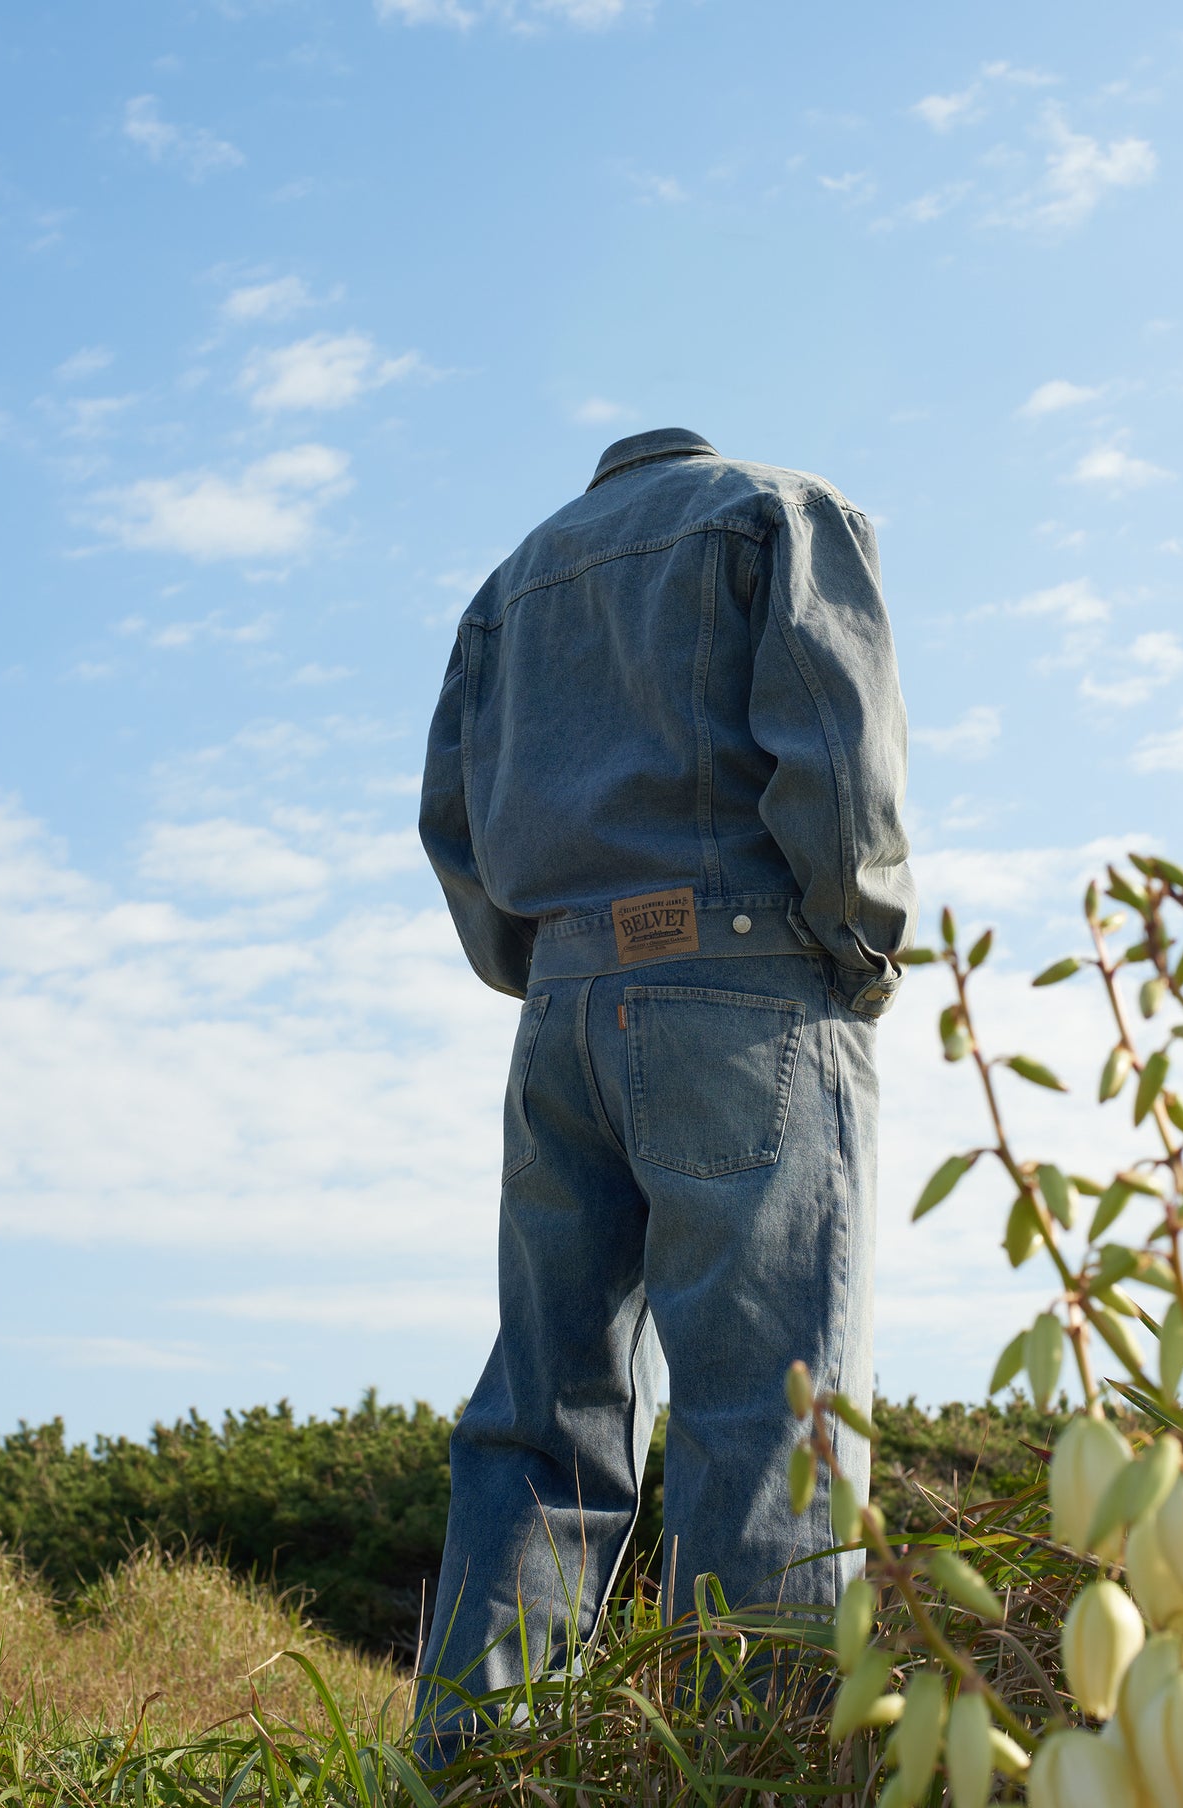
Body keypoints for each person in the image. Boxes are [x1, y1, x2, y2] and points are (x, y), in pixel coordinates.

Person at [415, 426, 915, 1753]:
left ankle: (480, 1770)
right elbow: (833, 740)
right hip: (742, 986)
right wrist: (858, 950)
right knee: (770, 1404)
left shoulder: (509, 583)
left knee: (540, 1409)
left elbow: (450, 820)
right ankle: (753, 1770)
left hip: (560, 1013)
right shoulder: (776, 508)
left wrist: (547, 964)